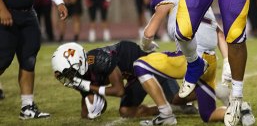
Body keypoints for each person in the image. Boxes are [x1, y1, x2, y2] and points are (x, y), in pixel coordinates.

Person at [134, 0, 255, 125]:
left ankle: (165, 116)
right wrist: (227, 61)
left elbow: (149, 33)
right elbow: (220, 35)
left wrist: (145, 45)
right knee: (208, 114)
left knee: (140, 65)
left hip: (192, 60)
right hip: (211, 61)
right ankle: (241, 109)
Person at [51, 40, 189, 119]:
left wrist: (88, 86)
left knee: (179, 99)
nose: (68, 78)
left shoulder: (100, 59)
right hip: (134, 77)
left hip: (149, 66)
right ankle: (168, 108)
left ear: (79, 62)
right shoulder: (80, 75)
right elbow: (89, 106)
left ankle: (201, 88)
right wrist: (89, 110)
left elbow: (119, 90)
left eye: (69, 73)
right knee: (126, 112)